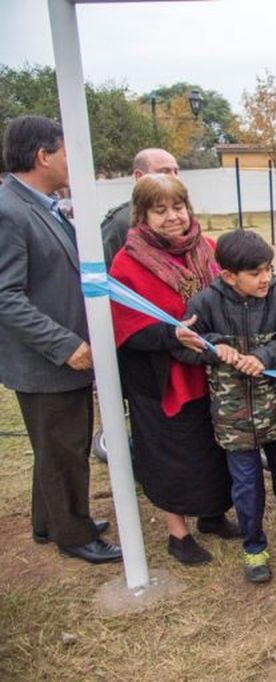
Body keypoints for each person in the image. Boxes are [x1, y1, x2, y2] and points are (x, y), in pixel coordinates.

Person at [0, 115, 120, 564]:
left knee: (54, 447)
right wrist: (64, 345)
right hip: (46, 361)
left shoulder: (41, 204)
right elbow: (5, 297)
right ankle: (75, 533)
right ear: (42, 156)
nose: (73, 163)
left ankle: (49, 522)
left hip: (59, 357)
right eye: (67, 153)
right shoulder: (10, 210)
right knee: (65, 448)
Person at [109, 174, 236, 565]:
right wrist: (170, 335)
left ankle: (212, 515)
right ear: (142, 215)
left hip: (208, 372)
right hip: (161, 376)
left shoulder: (209, 249)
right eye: (159, 210)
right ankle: (177, 532)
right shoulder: (127, 263)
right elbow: (124, 326)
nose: (172, 217)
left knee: (212, 448)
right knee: (170, 454)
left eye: (177, 207)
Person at [176, 229, 276, 583]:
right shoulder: (204, 303)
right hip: (233, 419)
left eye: (267, 268)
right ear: (228, 275)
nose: (265, 277)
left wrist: (262, 356)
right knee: (247, 485)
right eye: (255, 273)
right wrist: (214, 346)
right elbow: (182, 345)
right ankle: (254, 546)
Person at [100, 148, 179, 266]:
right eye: (164, 171)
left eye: (176, 172)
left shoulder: (182, 217)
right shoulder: (120, 223)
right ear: (139, 176)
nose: (174, 178)